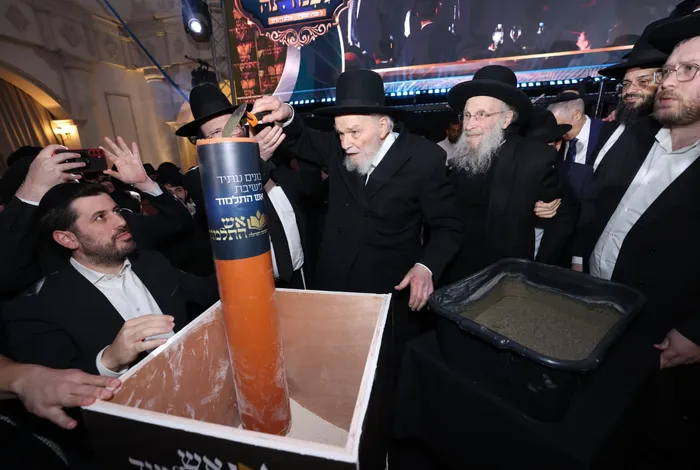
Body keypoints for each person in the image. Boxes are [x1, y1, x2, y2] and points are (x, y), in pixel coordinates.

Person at [576, 13, 700, 461]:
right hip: (598, 305)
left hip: (660, 334)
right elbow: (596, 208)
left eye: (690, 70)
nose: (668, 81)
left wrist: (696, 331)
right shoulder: (637, 136)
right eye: (668, 70)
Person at [252, 69, 463, 310]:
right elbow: (302, 137)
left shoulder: (424, 158)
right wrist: (287, 113)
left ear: (382, 127)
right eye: (340, 133)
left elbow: (448, 226)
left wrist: (426, 267)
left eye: (354, 132)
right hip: (334, 287)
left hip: (389, 292)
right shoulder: (337, 148)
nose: (345, 143)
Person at [2, 158, 219, 376]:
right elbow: (52, 384)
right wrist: (109, 361)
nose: (121, 222)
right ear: (68, 239)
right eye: (100, 217)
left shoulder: (152, 263)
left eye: (116, 211)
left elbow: (209, 291)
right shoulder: (42, 304)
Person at [443, 65, 577, 281]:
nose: (469, 125)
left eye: (481, 115)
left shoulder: (536, 158)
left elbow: (566, 215)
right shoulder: (459, 160)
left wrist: (540, 268)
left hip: (506, 279)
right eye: (467, 115)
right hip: (457, 275)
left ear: (506, 119)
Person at [176, 83, 309, 289]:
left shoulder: (275, 162)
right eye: (217, 131)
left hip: (300, 276)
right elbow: (230, 204)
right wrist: (254, 161)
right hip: (252, 287)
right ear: (202, 142)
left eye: (233, 125)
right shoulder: (198, 178)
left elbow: (310, 190)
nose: (229, 134)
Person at [572, 21, 668, 272]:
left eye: (643, 82)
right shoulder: (612, 127)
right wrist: (578, 255)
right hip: (593, 256)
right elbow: (593, 193)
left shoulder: (668, 139)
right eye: (626, 84)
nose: (630, 91)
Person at [547, 91, 605, 201]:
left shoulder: (606, 133)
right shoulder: (555, 140)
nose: (556, 130)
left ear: (577, 115)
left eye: (559, 125)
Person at [397, 0, 456, 66]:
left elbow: (401, 66)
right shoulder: (449, 37)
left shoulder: (413, 39)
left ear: (417, 14)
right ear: (436, 11)